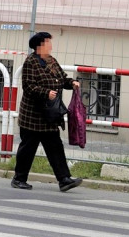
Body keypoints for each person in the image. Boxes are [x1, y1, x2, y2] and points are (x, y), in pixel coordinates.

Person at [11, 32, 83, 192]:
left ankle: (64, 179)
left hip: (49, 115)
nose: (50, 45)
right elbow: (29, 86)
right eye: (48, 42)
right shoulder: (31, 62)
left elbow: (62, 79)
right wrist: (46, 93)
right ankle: (19, 178)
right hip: (33, 116)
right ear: (39, 46)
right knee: (28, 148)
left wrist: (72, 83)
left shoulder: (51, 61)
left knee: (55, 147)